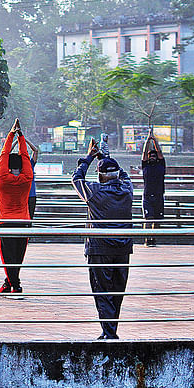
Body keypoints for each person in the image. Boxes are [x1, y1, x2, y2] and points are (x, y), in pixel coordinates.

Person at [72, 138, 134, 340]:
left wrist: (90, 156)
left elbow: (76, 178)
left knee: (102, 290)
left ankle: (109, 333)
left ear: (100, 176)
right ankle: (111, 329)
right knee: (117, 290)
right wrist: (107, 158)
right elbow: (124, 175)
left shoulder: (94, 192)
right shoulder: (127, 190)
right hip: (123, 248)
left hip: (99, 248)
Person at [0, 119, 33, 293]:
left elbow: (3, 155)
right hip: (23, 222)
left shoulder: (3, 179)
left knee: (7, 256)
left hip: (5, 222)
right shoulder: (27, 179)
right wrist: (21, 136)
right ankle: (8, 283)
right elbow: (25, 156)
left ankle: (15, 286)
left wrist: (12, 134)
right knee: (18, 256)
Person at [141, 130, 165, 248]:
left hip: (159, 196)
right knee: (148, 219)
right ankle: (147, 238)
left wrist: (154, 140)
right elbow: (144, 153)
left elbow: (160, 152)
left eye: (154, 156)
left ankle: (153, 239)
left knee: (156, 220)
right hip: (147, 196)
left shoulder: (161, 165)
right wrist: (147, 140)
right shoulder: (145, 165)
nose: (152, 157)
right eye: (151, 156)